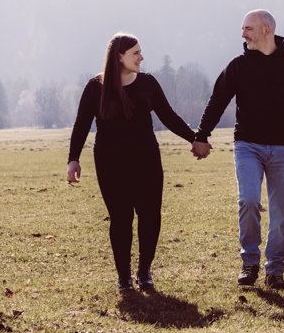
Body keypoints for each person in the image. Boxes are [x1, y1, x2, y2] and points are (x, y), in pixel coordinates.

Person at [191, 9, 284, 290]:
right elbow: (217, 101)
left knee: (280, 214)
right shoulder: (238, 66)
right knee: (249, 201)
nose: (243, 34)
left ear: (266, 29)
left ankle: (275, 270)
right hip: (247, 146)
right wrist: (201, 135)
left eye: (247, 28)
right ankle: (249, 263)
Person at [67, 33, 198, 294]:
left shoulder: (148, 83)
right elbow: (82, 124)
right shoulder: (95, 87)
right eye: (136, 53)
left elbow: (168, 116)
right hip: (110, 161)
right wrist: (73, 159)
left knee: (150, 216)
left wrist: (195, 139)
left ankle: (144, 271)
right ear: (119, 57)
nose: (141, 57)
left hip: (146, 158)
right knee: (121, 218)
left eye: (140, 52)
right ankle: (124, 276)